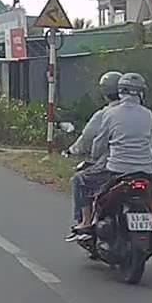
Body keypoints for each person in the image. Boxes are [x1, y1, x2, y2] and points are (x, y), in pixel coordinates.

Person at [72, 72, 152, 241]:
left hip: (117, 169)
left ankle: (86, 222)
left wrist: (95, 157)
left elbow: (99, 142)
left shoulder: (110, 114)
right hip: (147, 169)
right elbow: (150, 140)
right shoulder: (148, 114)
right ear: (141, 92)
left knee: (81, 180)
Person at [63, 71, 123, 241]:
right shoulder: (143, 112)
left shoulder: (106, 114)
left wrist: (72, 150)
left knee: (80, 180)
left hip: (112, 163)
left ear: (104, 92)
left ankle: (85, 222)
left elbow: (89, 139)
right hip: (144, 166)